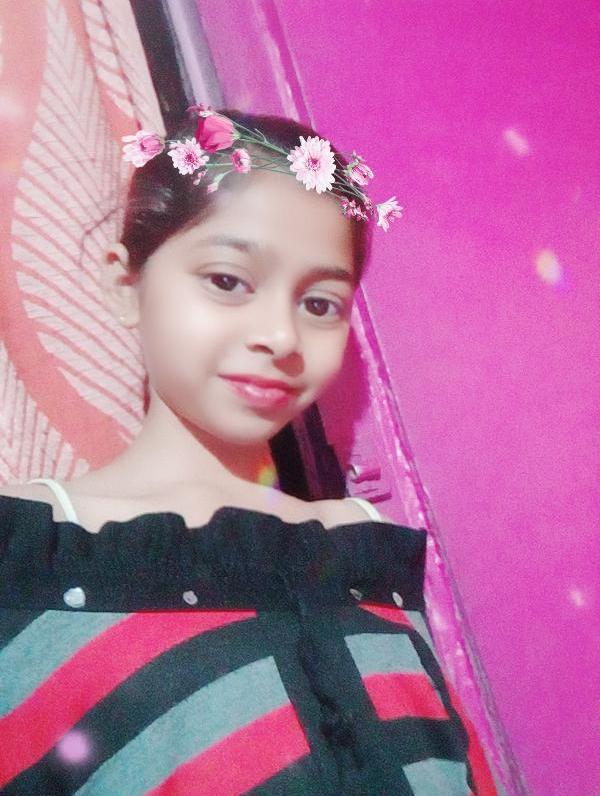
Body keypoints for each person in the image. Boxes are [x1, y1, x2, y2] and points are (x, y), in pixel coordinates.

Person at [0, 107, 497, 794]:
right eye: (228, 280)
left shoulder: (363, 546)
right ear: (125, 284)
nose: (281, 337)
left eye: (319, 303)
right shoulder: (31, 551)